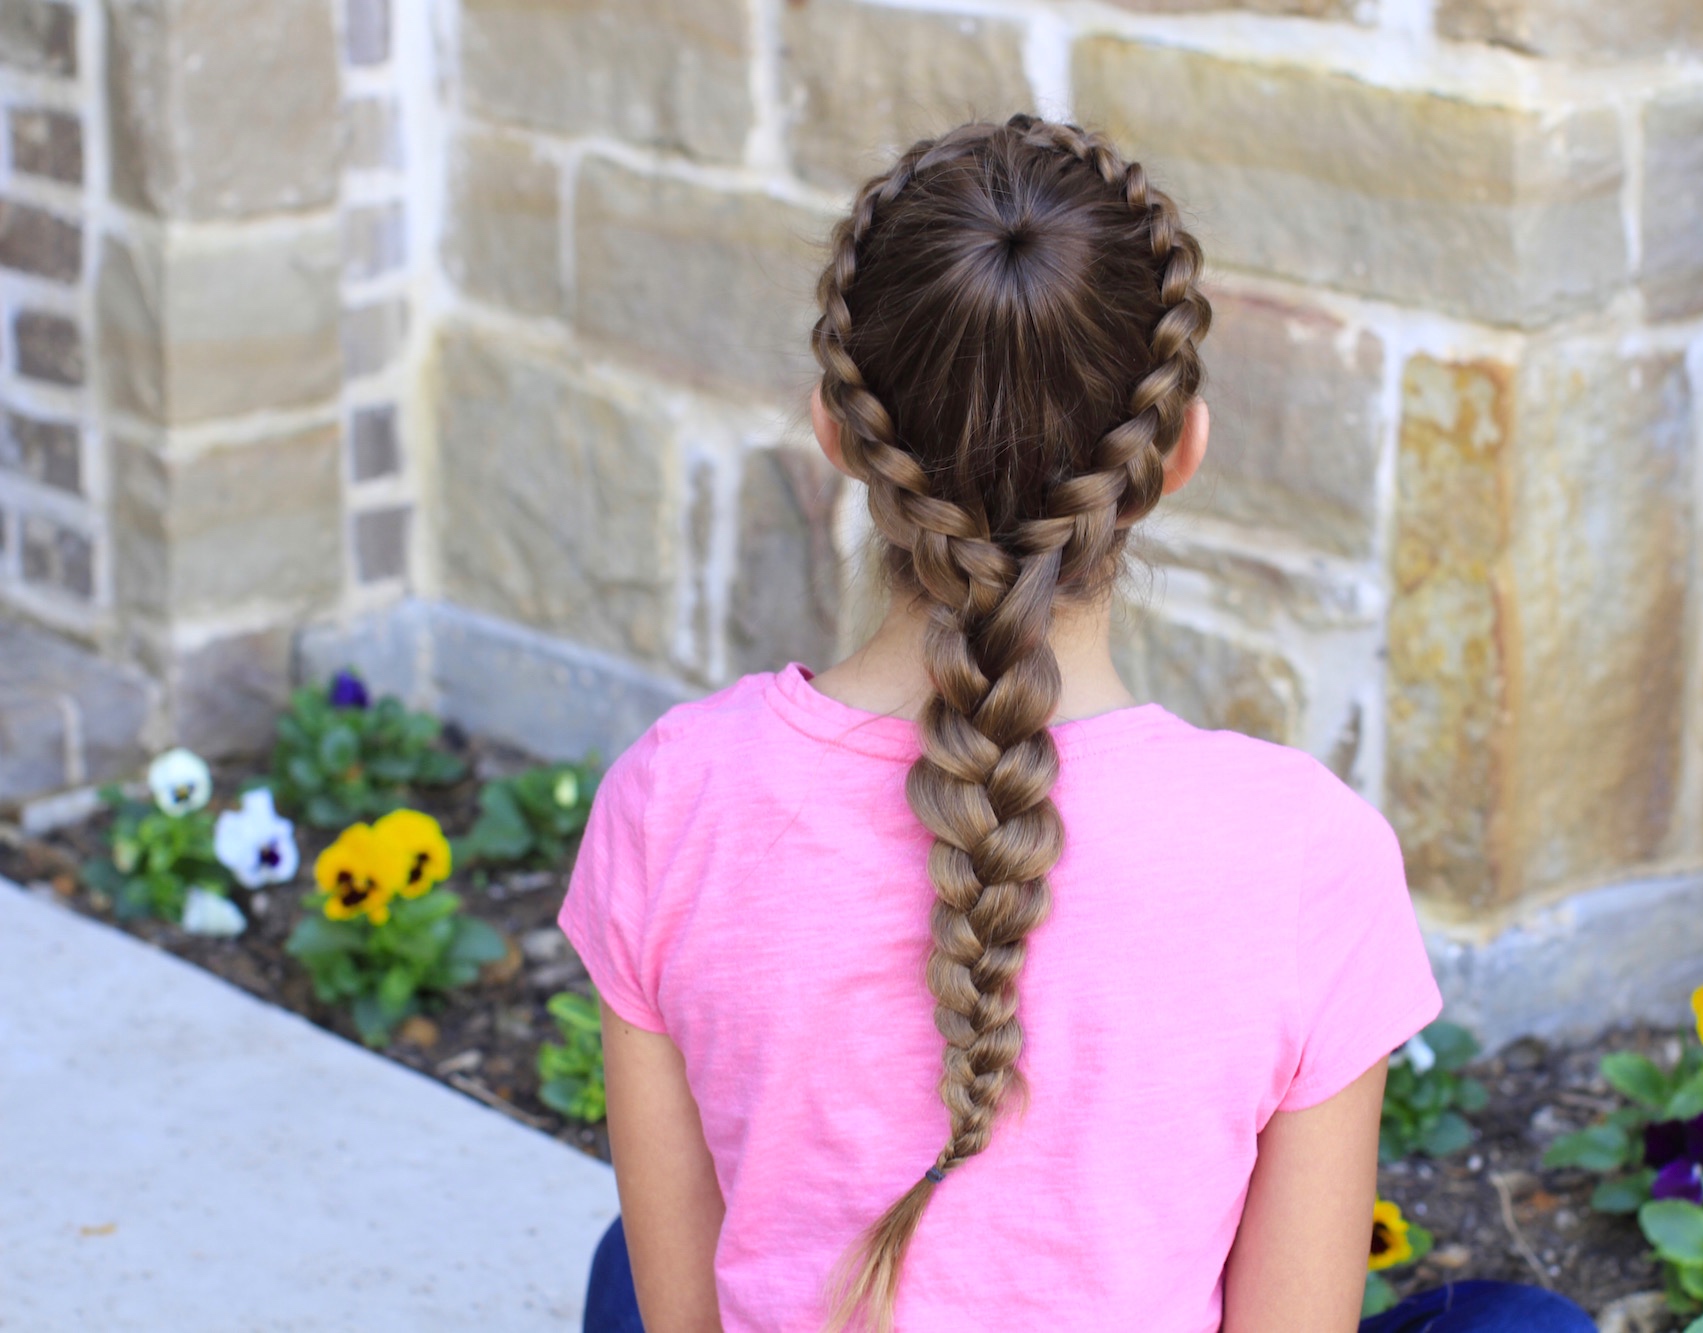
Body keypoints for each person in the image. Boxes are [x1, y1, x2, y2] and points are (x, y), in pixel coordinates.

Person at [559, 115, 1597, 1333]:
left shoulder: (675, 794)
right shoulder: (1303, 855)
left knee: (632, 1254)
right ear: (1174, 454)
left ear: (837, 435)